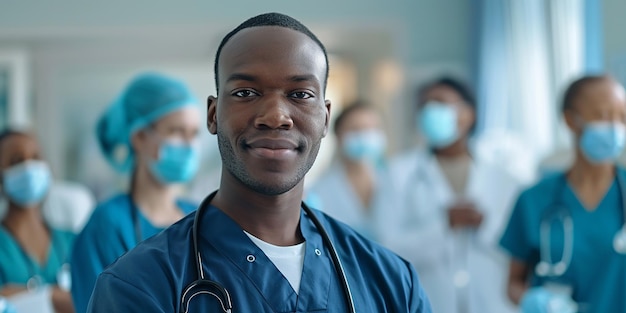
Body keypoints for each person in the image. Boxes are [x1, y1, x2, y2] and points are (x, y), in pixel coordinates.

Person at [86, 12, 433, 312]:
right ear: (213, 115)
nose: (276, 116)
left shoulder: (392, 283)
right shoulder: (139, 285)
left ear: (325, 119)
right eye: (245, 93)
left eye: (300, 94)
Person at [383, 76, 522, 313]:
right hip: (429, 300)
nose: (430, 111)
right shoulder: (399, 174)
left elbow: (517, 249)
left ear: (469, 114)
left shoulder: (505, 178)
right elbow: (388, 248)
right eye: (424, 106)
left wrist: (483, 224)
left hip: (491, 302)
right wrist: (444, 225)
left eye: (439, 103)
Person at [70, 73, 200, 312]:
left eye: (194, 134)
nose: (190, 145)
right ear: (139, 137)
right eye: (176, 131)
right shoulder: (108, 225)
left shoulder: (201, 216)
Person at [500, 75, 626, 313]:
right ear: (571, 120)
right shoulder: (533, 199)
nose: (615, 127)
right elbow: (513, 284)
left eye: (622, 117)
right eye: (602, 115)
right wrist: (534, 301)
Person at [0, 130, 75, 313]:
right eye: (17, 160)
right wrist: (50, 297)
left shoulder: (71, 241)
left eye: (35, 157)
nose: (28, 167)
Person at [307, 101, 390, 240]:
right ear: (338, 136)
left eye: (373, 128)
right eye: (356, 129)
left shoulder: (395, 180)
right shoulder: (319, 192)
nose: (366, 136)